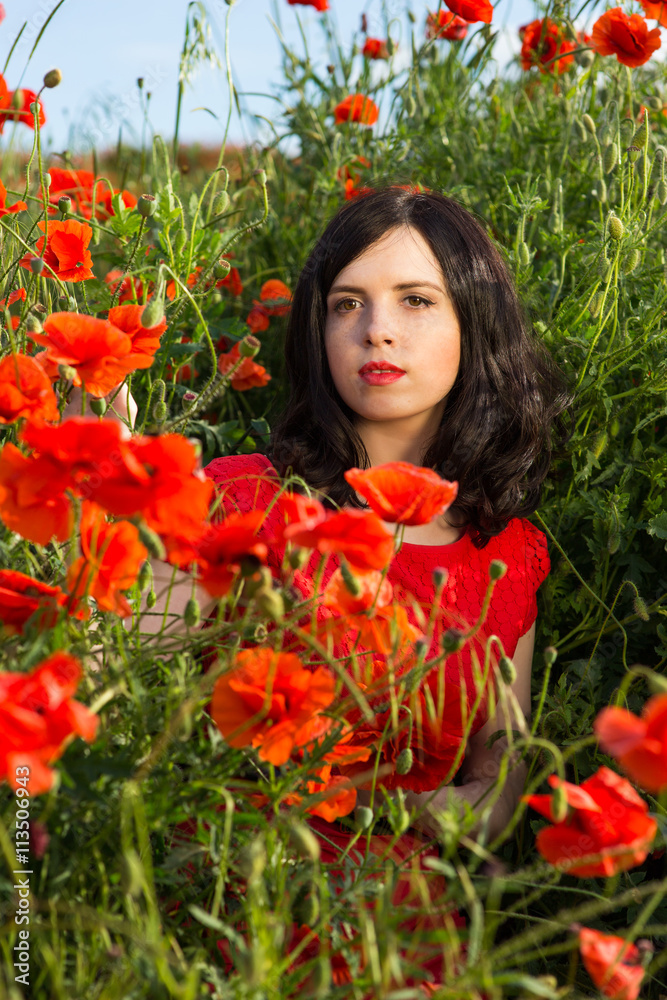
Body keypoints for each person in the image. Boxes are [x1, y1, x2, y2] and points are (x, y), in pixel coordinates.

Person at [197, 186, 568, 842]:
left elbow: (499, 785)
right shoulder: (238, 500)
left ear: (473, 322)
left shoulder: (506, 554)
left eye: (416, 300)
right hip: (230, 898)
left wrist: (396, 812)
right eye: (347, 305)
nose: (376, 330)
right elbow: (121, 686)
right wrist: (110, 501)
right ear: (321, 332)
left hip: (404, 928)